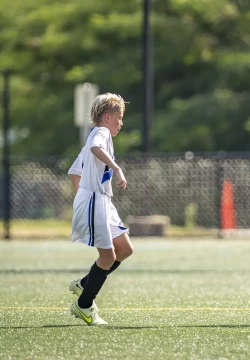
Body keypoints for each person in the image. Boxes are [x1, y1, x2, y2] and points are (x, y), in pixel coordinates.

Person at [68, 93, 134, 325]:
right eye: (119, 117)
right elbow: (96, 148)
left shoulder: (96, 137)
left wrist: (82, 195)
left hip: (102, 201)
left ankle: (84, 284)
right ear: (107, 117)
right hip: (96, 200)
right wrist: (116, 169)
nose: (121, 123)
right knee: (108, 256)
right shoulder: (101, 133)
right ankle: (84, 305)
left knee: (124, 249)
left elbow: (74, 172)